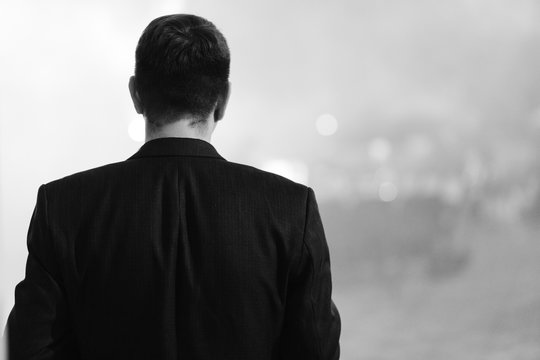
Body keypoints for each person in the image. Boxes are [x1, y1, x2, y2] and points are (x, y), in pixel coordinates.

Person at [5, 14, 341, 360]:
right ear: (222, 99)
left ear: (136, 94)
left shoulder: (62, 208)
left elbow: (27, 349)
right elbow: (316, 351)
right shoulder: (290, 209)